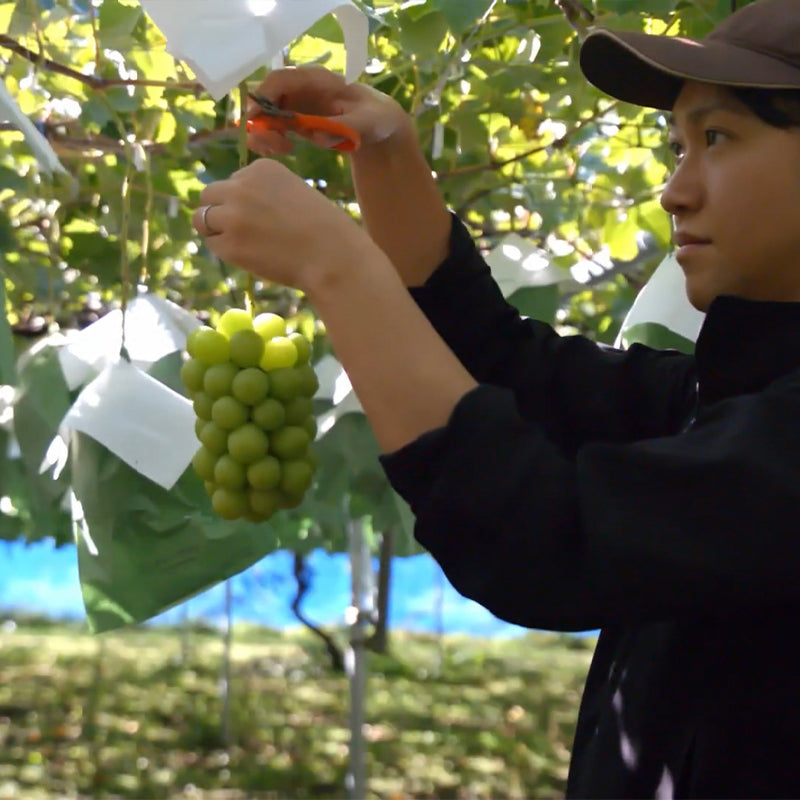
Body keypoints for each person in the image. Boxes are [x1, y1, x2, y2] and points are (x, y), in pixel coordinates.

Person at [192, 0, 800, 794]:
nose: (674, 191)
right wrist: (387, 158)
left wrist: (338, 269)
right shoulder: (725, 393)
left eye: (715, 138)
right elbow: (507, 363)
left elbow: (549, 539)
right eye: (678, 145)